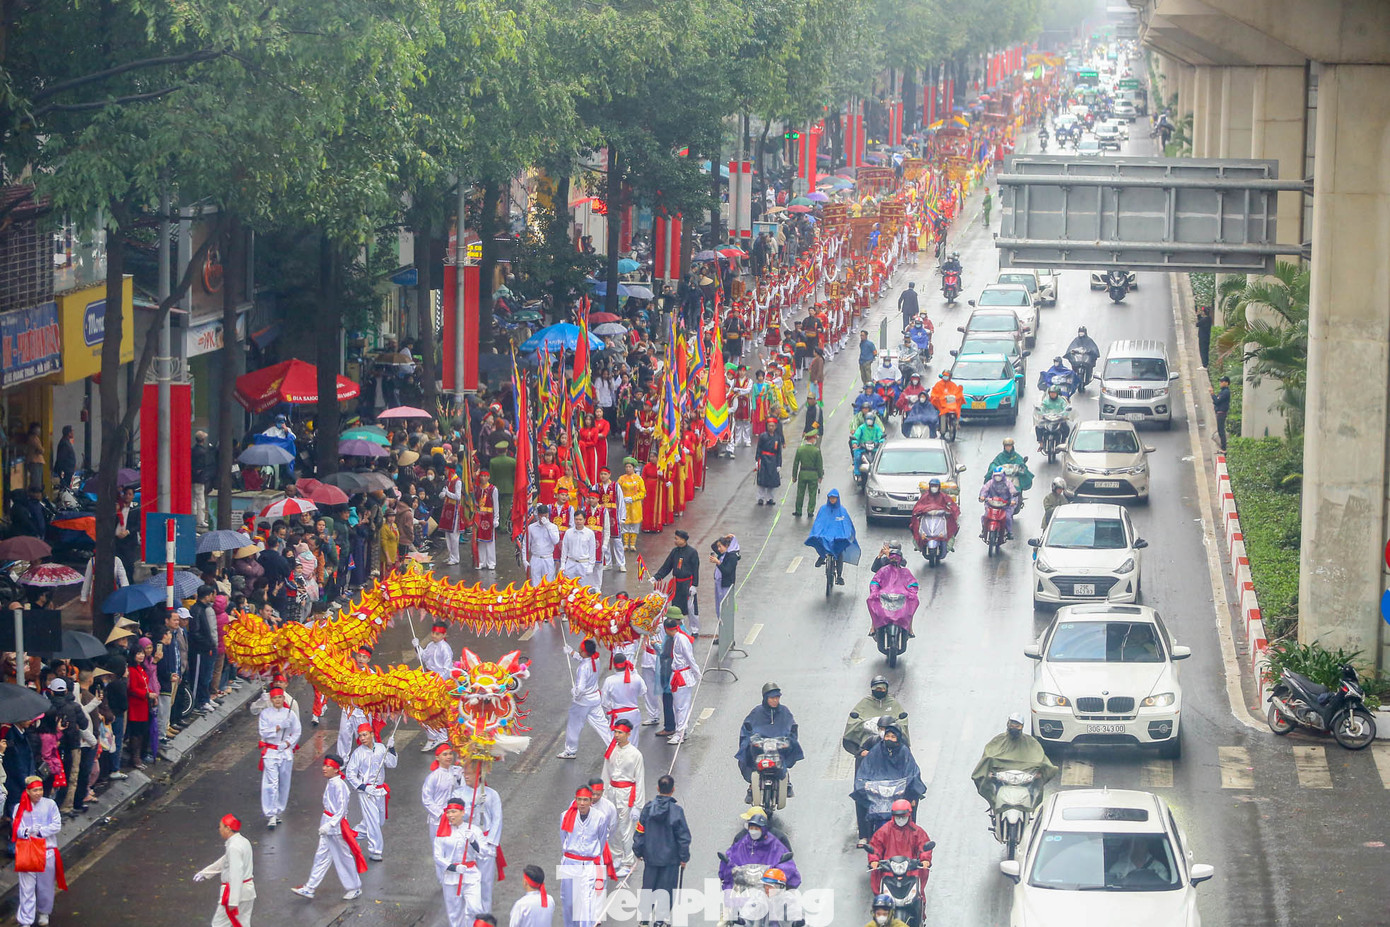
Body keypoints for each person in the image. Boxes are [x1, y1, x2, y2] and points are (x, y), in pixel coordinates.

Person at [293, 755, 367, 900]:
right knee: (321, 856)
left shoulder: (340, 786)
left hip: (337, 827)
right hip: (328, 824)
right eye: (324, 766)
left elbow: (342, 809)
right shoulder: (332, 782)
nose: (324, 768)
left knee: (343, 856)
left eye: (328, 766)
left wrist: (331, 824)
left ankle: (354, 887)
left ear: (336, 769)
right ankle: (310, 887)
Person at [852, 719, 925, 842]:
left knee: (912, 800)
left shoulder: (904, 752)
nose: (889, 739)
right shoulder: (876, 749)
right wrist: (863, 784)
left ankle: (910, 834)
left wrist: (910, 788)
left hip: (898, 790)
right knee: (859, 798)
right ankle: (865, 835)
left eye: (893, 736)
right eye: (887, 736)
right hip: (878, 789)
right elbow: (866, 768)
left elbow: (912, 772)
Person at [970, 713, 1058, 814]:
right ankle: (994, 805)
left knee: (1038, 786)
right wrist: (989, 773)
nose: (1014, 728)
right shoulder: (998, 741)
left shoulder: (1030, 742)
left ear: (1022, 727)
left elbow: (1041, 759)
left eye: (1018, 726)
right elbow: (988, 758)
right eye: (1012, 725)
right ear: (1008, 724)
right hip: (1002, 779)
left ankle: (1033, 811)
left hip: (1024, 779)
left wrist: (1039, 774)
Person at [633, 774, 691, 926]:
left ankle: (644, 920)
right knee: (667, 890)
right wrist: (684, 857)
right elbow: (683, 837)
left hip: (651, 859)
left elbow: (640, 831)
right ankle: (660, 920)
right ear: (673, 790)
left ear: (658, 788)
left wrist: (638, 851)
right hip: (670, 860)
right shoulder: (677, 811)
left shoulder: (647, 809)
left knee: (648, 889)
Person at [736, 683, 804, 804]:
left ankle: (786, 778)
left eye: (777, 698)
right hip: (760, 747)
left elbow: (792, 727)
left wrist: (789, 739)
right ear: (765, 698)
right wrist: (751, 738)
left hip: (779, 746)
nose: (775, 700)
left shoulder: (784, 712)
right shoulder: (756, 712)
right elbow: (747, 728)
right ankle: (752, 785)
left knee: (788, 750)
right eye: (772, 698)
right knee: (748, 751)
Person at [557, 786, 614, 927]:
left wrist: (592, 855)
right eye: (579, 799)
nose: (582, 803)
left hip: (589, 865)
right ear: (575, 800)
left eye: (585, 800)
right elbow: (563, 837)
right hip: (570, 863)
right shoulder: (565, 816)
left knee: (587, 904)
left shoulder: (599, 818)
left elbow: (601, 841)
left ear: (590, 801)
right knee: (568, 901)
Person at [13, 775, 63, 927]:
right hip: (27, 852)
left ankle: (44, 912)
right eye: (35, 790)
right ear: (28, 791)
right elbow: (17, 829)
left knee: (46, 886)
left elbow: (56, 825)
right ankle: (26, 920)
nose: (39, 793)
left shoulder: (50, 804)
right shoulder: (18, 807)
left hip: (46, 851)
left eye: (40, 789)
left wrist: (40, 832)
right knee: (26, 888)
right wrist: (28, 831)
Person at [345, 723, 397, 861]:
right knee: (373, 821)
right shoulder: (358, 753)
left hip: (379, 791)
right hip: (366, 792)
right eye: (360, 735)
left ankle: (352, 835)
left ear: (372, 734)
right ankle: (375, 851)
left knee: (377, 822)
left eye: (365, 734)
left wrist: (391, 749)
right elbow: (350, 774)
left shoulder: (380, 748)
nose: (362, 738)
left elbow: (392, 764)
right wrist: (363, 787)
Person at [193, 814, 257, 927]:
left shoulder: (233, 847)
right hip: (247, 892)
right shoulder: (243, 842)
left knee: (219, 924)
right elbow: (225, 860)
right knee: (242, 924)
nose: (219, 830)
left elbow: (236, 873)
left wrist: (233, 900)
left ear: (228, 828)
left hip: (235, 893)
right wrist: (206, 873)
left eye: (221, 827)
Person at [253, 685, 301, 829]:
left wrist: (288, 743)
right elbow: (264, 732)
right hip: (271, 753)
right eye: (274, 698)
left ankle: (279, 809)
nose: (278, 700)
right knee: (271, 783)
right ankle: (271, 813)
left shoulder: (290, 714)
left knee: (283, 783)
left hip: (285, 752)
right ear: (271, 700)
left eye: (280, 697)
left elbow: (297, 732)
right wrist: (279, 727)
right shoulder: (265, 714)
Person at [434, 798, 488, 924]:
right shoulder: (442, 832)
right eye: (448, 812)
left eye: (454, 812)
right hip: (451, 878)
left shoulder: (473, 830)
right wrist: (453, 867)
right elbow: (438, 856)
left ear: (463, 812)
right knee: (455, 914)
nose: (450, 815)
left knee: (475, 909)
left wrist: (474, 841)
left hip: (471, 875)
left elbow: (484, 852)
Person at [601, 719, 644, 874]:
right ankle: (616, 854)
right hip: (612, 791)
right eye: (615, 732)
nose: (617, 735)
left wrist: (638, 806)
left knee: (626, 828)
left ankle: (628, 862)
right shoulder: (611, 749)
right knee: (611, 826)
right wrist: (602, 794)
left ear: (628, 734)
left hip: (626, 794)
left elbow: (639, 780)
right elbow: (606, 772)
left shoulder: (635, 755)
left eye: (620, 732)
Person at [718, 810, 801, 890]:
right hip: (744, 891)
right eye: (751, 828)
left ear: (763, 829)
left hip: (769, 892)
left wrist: (775, 875)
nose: (753, 831)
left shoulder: (776, 844)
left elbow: (788, 868)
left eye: (756, 828)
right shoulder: (741, 843)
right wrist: (729, 867)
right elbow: (730, 860)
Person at [867, 799, 933, 896]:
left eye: (903, 816)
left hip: (911, 871)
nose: (900, 819)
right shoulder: (884, 831)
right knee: (880, 903)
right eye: (898, 817)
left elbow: (924, 846)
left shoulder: (917, 832)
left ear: (909, 815)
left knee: (918, 897)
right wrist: (874, 861)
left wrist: (925, 859)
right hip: (888, 871)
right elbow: (875, 847)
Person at [558, 639, 610, 759]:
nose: (579, 650)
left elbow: (580, 688)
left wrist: (574, 692)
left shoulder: (583, 668)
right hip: (595, 698)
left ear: (585, 652)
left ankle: (570, 750)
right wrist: (571, 652)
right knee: (602, 724)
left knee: (574, 725)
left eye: (580, 649)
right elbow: (582, 659)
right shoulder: (595, 660)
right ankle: (612, 744)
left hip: (582, 701)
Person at [842, 676, 911, 761]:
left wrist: (891, 731)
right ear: (872, 689)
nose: (880, 691)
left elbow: (902, 722)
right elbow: (853, 722)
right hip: (867, 745)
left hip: (892, 748)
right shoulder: (864, 703)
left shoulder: (893, 704)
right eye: (877, 689)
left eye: (883, 689)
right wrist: (866, 725)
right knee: (861, 759)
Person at [804, 489, 860, 586]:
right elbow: (818, 523)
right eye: (831, 498)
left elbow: (847, 525)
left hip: (838, 537)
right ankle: (822, 557)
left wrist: (846, 535)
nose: (832, 500)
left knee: (839, 553)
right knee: (819, 541)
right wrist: (816, 533)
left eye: (834, 498)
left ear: (837, 499)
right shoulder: (823, 509)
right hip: (826, 535)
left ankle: (839, 576)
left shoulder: (842, 511)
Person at [660, 612, 700, 744]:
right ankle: (680, 730)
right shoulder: (677, 638)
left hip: (682, 675)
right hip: (676, 674)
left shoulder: (681, 639)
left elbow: (690, 658)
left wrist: (697, 673)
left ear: (666, 629)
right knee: (677, 706)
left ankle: (680, 733)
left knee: (682, 706)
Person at [414, 620, 455, 751]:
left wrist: (437, 681)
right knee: (424, 710)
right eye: (433, 633)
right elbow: (423, 658)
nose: (434, 636)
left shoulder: (445, 649)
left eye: (438, 634)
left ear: (444, 635)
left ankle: (441, 736)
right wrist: (417, 647)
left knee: (437, 711)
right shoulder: (431, 645)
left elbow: (448, 670)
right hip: (429, 680)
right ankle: (432, 736)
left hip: (439, 683)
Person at [652, 529, 700, 622]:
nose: (675, 541)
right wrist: (657, 577)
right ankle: (678, 626)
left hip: (687, 584)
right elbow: (667, 566)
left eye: (677, 539)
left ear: (683, 540)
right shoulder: (674, 552)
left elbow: (695, 569)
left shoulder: (692, 552)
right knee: (676, 606)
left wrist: (694, 585)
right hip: (676, 583)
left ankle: (695, 629)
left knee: (690, 607)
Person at [600, 654, 646, 748]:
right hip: (634, 715)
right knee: (633, 744)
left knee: (618, 745)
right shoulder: (636, 678)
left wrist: (610, 713)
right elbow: (643, 691)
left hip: (618, 716)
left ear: (614, 665)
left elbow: (604, 702)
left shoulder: (609, 681)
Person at [421, 743, 462, 836]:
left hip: (456, 817)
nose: (449, 757)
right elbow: (427, 799)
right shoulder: (433, 777)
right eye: (445, 754)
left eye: (450, 753)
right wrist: (441, 814)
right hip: (438, 820)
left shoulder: (457, 771)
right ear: (437, 757)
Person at [979, 466, 1021, 540]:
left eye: (999, 475)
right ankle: (983, 530)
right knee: (985, 516)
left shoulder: (1008, 484)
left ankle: (1009, 532)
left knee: (1007, 517)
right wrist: (982, 496)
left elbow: (1013, 493)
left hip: (1005, 506)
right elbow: (984, 490)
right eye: (996, 475)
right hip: (991, 504)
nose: (997, 477)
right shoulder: (990, 483)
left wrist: (1013, 501)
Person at [523, 505, 561, 586]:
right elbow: (525, 544)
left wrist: (547, 525)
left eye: (545, 515)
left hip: (548, 558)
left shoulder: (553, 527)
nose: (543, 517)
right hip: (536, 558)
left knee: (548, 584)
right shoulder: (531, 527)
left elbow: (555, 540)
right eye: (541, 515)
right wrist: (524, 559)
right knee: (535, 584)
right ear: (538, 515)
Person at [560, 514, 599, 592]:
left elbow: (592, 550)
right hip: (571, 563)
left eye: (580, 519)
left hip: (584, 564)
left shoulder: (589, 533)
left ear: (584, 520)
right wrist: (563, 564)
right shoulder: (569, 532)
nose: (578, 521)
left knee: (584, 589)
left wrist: (591, 565)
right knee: (569, 588)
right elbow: (564, 549)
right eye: (576, 519)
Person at [791, 431, 823, 517]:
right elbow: (819, 465)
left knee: (800, 492)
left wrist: (794, 476)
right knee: (812, 493)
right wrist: (820, 476)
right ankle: (810, 511)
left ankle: (798, 510)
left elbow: (796, 464)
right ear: (812, 439)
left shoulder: (800, 449)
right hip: (813, 474)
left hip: (802, 473)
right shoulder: (816, 451)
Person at [616, 459, 645, 551]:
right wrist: (621, 498)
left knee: (634, 523)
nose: (628, 469)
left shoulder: (638, 479)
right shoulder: (621, 479)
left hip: (635, 505)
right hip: (624, 504)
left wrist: (633, 498)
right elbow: (616, 489)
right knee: (625, 523)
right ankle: (625, 544)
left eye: (630, 467)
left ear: (633, 468)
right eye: (627, 467)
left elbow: (643, 492)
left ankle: (632, 544)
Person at [754, 415, 783, 506]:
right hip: (764, 460)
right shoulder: (763, 436)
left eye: (772, 426)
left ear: (775, 427)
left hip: (773, 461)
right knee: (762, 480)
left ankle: (770, 498)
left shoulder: (777, 438)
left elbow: (779, 452)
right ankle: (760, 498)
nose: (771, 427)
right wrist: (757, 460)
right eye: (769, 425)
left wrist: (779, 464)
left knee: (772, 481)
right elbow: (759, 449)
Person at [474, 470, 500, 570]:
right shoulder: (477, 488)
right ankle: (482, 562)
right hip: (479, 516)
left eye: (485, 476)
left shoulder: (493, 489)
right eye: (481, 476)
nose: (483, 478)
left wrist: (496, 518)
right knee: (480, 540)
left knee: (490, 541)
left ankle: (491, 562)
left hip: (489, 516)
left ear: (488, 477)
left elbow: (496, 504)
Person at [709, 535, 739, 620]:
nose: (718, 549)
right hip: (718, 582)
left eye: (720, 546)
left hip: (726, 585)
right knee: (718, 605)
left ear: (726, 546)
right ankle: (720, 621)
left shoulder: (732, 557)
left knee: (724, 606)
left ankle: (725, 623)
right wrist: (724, 537)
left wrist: (718, 562)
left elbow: (727, 571)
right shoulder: (722, 554)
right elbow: (713, 546)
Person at [440, 464, 464, 565]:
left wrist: (447, 493)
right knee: (447, 534)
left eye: (446, 470)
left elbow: (458, 496)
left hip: (455, 511)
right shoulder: (448, 481)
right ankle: (451, 555)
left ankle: (455, 557)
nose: (445, 472)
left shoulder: (457, 481)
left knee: (454, 535)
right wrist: (442, 494)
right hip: (447, 509)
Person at [1034, 385, 1072, 450]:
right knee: (1038, 427)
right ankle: (1041, 443)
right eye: (1051, 393)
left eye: (1054, 393)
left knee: (1066, 428)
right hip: (1047, 418)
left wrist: (1065, 414)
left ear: (1057, 393)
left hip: (1058, 418)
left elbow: (1065, 408)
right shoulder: (1046, 400)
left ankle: (1063, 441)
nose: (1052, 395)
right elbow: (1042, 407)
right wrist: (1041, 412)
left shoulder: (1061, 401)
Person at [850, 412, 885, 476]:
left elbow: (881, 436)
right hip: (862, 447)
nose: (869, 421)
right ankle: (857, 473)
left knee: (883, 457)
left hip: (875, 448)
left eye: (870, 419)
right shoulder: (861, 428)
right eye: (868, 419)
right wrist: (854, 443)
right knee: (857, 456)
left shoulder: (877, 428)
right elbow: (856, 435)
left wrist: (881, 441)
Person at [192, 430, 213, 529]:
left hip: (192, 478)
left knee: (193, 500)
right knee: (200, 500)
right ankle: (200, 520)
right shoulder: (203, 452)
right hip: (200, 479)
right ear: (203, 439)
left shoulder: (193, 450)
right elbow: (203, 466)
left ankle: (193, 518)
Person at [52, 426, 76, 493]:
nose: (73, 433)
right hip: (66, 470)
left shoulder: (67, 442)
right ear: (69, 433)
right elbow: (61, 458)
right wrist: (61, 471)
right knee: (64, 488)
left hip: (68, 470)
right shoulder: (64, 443)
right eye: (72, 431)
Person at [1212, 375, 1231, 451]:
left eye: (1222, 382)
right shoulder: (1222, 391)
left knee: (1221, 430)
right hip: (1220, 412)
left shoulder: (1225, 392)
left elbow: (1217, 401)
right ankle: (1223, 446)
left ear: (1226, 383)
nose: (1220, 383)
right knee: (1220, 430)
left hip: (1221, 413)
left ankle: (1224, 448)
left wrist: (1212, 394)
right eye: (1220, 381)